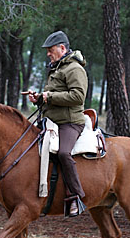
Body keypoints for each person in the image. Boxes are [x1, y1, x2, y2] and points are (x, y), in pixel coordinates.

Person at [29, 31, 88, 217]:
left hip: (70, 123)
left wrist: (50, 96)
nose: (48, 53)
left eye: (50, 50)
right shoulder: (58, 68)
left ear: (62, 48)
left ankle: (77, 197)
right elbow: (53, 96)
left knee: (63, 153)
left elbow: (78, 96)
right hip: (53, 122)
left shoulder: (74, 69)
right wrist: (39, 99)